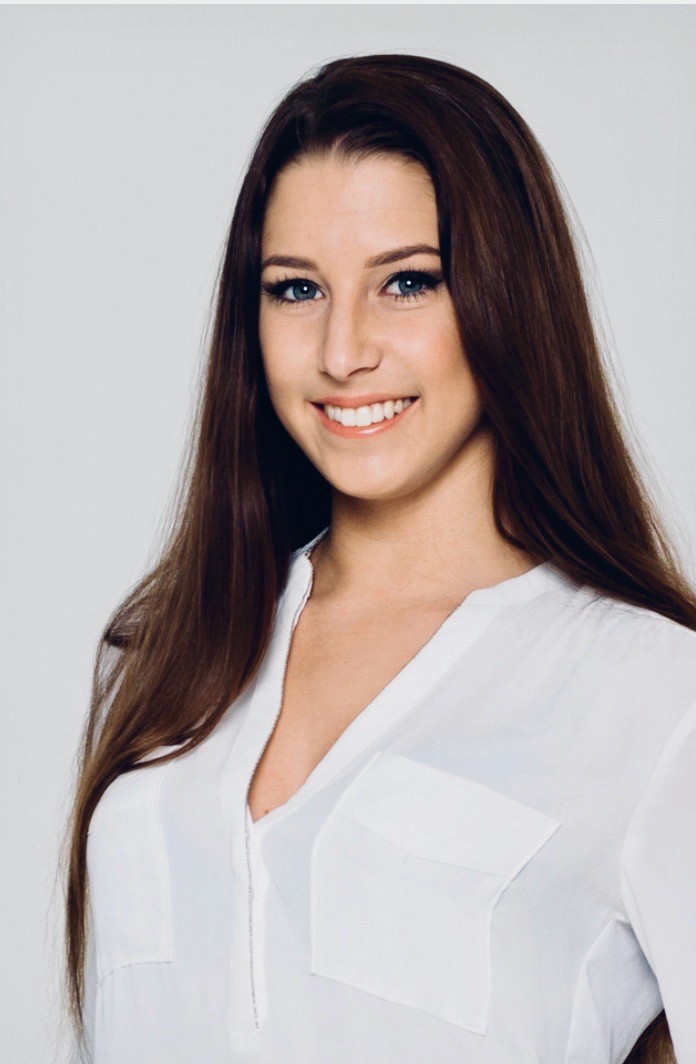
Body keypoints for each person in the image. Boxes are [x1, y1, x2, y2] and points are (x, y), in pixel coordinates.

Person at [61, 54, 695, 1063]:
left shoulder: (655, 698)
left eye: (407, 281)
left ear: (509, 297)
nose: (342, 349)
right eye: (296, 288)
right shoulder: (170, 654)